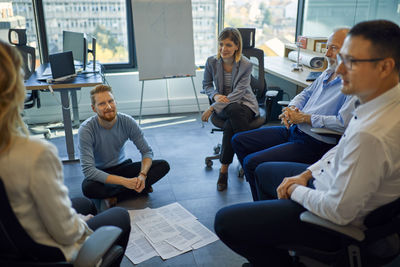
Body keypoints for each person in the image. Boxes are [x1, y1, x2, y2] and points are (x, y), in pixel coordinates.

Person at [214, 20, 400, 267]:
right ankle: (268, 219)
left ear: (386, 66)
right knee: (260, 167)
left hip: (329, 221)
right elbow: (340, 149)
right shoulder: (375, 105)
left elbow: (339, 212)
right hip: (321, 179)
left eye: (351, 61)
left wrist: (295, 189)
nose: (340, 69)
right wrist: (306, 173)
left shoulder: (374, 134)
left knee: (225, 222)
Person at [0, 40, 130, 265]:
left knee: (84, 202)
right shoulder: (34, 154)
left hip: (11, 247)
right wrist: (81, 223)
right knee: (120, 216)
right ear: (13, 88)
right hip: (48, 254)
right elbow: (66, 233)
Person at [231, 28, 356, 200]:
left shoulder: (353, 84)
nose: (327, 53)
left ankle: (265, 205)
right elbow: (305, 94)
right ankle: (266, 192)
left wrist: (306, 118)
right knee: (239, 140)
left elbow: (343, 123)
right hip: (294, 130)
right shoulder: (327, 72)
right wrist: (291, 108)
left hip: (314, 142)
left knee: (252, 163)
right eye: (326, 47)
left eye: (333, 48)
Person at [79, 84, 170, 208]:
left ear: (116, 102)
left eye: (111, 101)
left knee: (163, 165)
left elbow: (147, 152)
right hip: (101, 173)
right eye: (102, 104)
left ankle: (116, 195)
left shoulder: (127, 121)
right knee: (88, 188)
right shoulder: (86, 129)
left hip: (123, 167)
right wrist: (125, 182)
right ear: (93, 108)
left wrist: (142, 175)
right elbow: (89, 170)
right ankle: (137, 189)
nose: (109, 107)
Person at [201, 27, 260, 191]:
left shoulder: (246, 64)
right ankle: (249, 158)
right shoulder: (211, 61)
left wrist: (212, 108)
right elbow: (206, 85)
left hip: (244, 104)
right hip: (224, 106)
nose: (223, 49)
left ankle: (224, 170)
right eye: (220, 44)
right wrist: (214, 96)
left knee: (230, 123)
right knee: (232, 111)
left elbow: (239, 93)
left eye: (228, 45)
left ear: (236, 47)